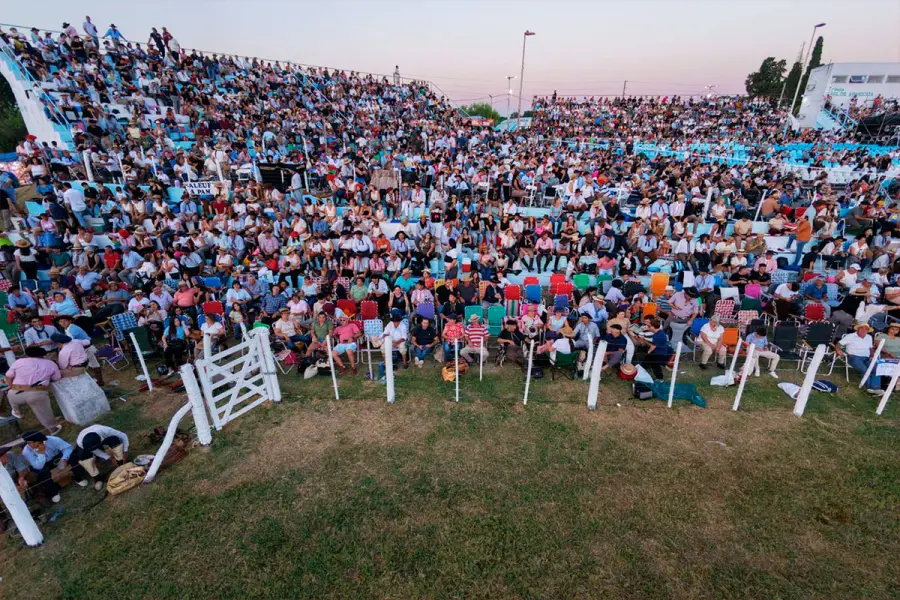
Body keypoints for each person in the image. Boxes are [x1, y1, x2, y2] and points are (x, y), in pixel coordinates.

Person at [6, 346, 62, 433]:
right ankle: (53, 429)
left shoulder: (19, 362)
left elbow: (9, 376)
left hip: (15, 393)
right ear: (43, 355)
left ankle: (17, 411)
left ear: (27, 354)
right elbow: (57, 378)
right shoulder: (50, 363)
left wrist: (10, 387)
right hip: (36, 393)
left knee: (11, 397)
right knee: (44, 413)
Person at [22, 430, 88, 504]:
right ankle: (53, 492)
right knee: (40, 472)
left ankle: (77, 477)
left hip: (56, 458)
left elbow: (68, 448)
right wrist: (41, 453)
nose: (30, 445)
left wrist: (64, 459)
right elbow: (38, 466)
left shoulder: (52, 440)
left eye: (31, 443)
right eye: (28, 443)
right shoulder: (26, 451)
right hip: (42, 463)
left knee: (71, 457)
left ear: (39, 441)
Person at [75, 424, 129, 490]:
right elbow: (95, 451)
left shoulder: (106, 430)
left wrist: (125, 451)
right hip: (86, 445)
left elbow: (123, 436)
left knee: (115, 440)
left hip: (101, 436)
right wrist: (110, 458)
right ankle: (98, 479)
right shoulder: (80, 443)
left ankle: (120, 462)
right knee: (84, 459)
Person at [834, 323, 882, 395]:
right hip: (853, 357)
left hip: (867, 357)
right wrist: (838, 350)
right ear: (858, 329)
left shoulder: (869, 337)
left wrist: (872, 356)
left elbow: (870, 348)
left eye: (866, 329)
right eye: (862, 328)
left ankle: (875, 388)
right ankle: (868, 388)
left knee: (876, 369)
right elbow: (839, 344)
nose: (864, 330)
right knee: (865, 369)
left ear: (868, 331)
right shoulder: (851, 336)